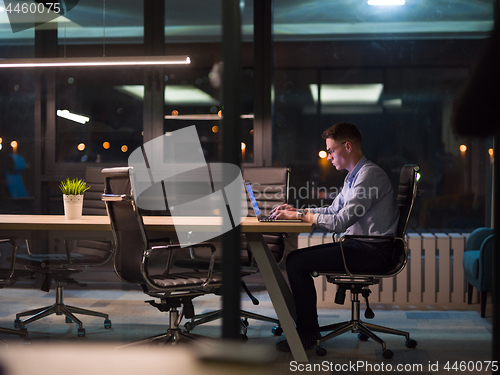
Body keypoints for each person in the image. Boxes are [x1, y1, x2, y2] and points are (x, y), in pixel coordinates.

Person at [269, 122, 400, 352]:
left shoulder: (369, 176)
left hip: (372, 251)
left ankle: (308, 334)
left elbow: (339, 223)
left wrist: (301, 215)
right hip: (362, 247)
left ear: (347, 146)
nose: (328, 156)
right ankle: (308, 329)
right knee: (296, 260)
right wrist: (298, 211)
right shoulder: (353, 176)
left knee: (296, 262)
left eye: (330, 150)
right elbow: (331, 211)